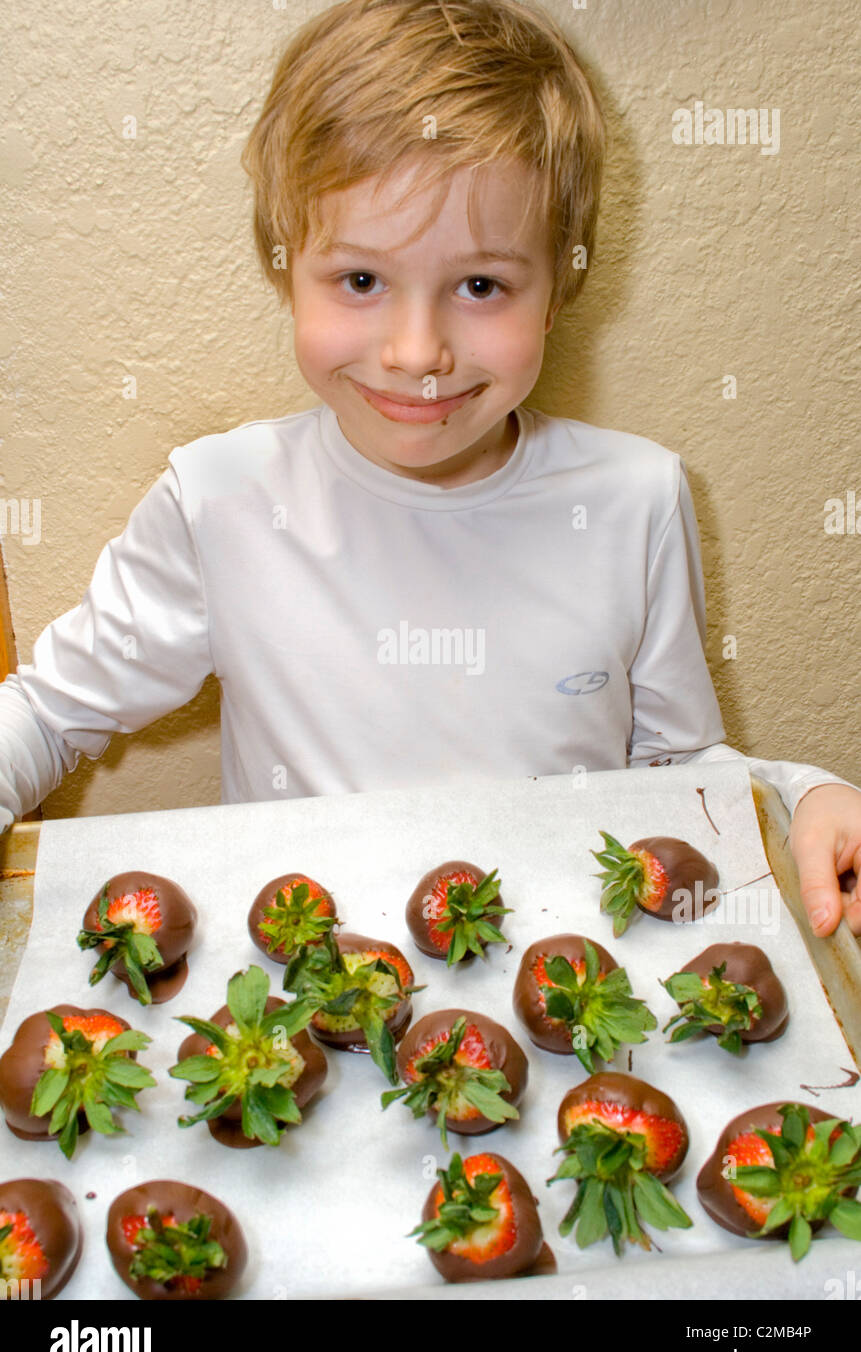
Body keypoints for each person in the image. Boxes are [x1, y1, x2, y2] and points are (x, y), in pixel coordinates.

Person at [0, 0, 858, 939]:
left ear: (558, 287)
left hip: (563, 993)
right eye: (361, 280)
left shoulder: (636, 500)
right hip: (305, 1016)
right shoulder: (219, 500)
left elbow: (679, 767)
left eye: (480, 285)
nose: (417, 352)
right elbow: (45, 715)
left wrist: (802, 792)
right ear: (285, 268)